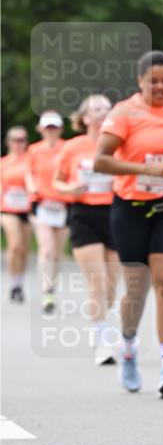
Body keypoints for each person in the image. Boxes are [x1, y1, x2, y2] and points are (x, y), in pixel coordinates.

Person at [94, 50, 163, 399]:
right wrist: (145, 170)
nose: (159, 86)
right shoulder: (125, 112)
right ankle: (128, 345)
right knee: (136, 288)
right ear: (140, 80)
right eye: (153, 80)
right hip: (131, 209)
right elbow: (101, 161)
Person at [53, 95, 120, 366]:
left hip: (115, 214)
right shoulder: (72, 147)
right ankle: (102, 339)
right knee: (97, 281)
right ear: (84, 118)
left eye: (107, 108)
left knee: (112, 287)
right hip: (83, 214)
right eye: (96, 109)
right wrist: (71, 189)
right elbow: (57, 182)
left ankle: (101, 325)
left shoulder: (119, 144)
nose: (103, 113)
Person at [25, 111, 69, 313]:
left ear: (60, 129)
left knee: (57, 253)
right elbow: (28, 173)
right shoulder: (34, 150)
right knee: (47, 249)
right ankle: (46, 292)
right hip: (42, 204)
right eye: (47, 128)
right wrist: (32, 187)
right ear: (41, 130)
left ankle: (52, 288)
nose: (51, 131)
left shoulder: (67, 149)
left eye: (54, 127)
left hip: (63, 205)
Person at [0, 125, 32, 302]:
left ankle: (19, 283)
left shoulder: (31, 160)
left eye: (22, 140)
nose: (19, 143)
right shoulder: (3, 163)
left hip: (27, 209)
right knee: (15, 245)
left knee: (24, 250)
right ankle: (12, 282)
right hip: (7, 208)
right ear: (8, 142)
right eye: (15, 140)